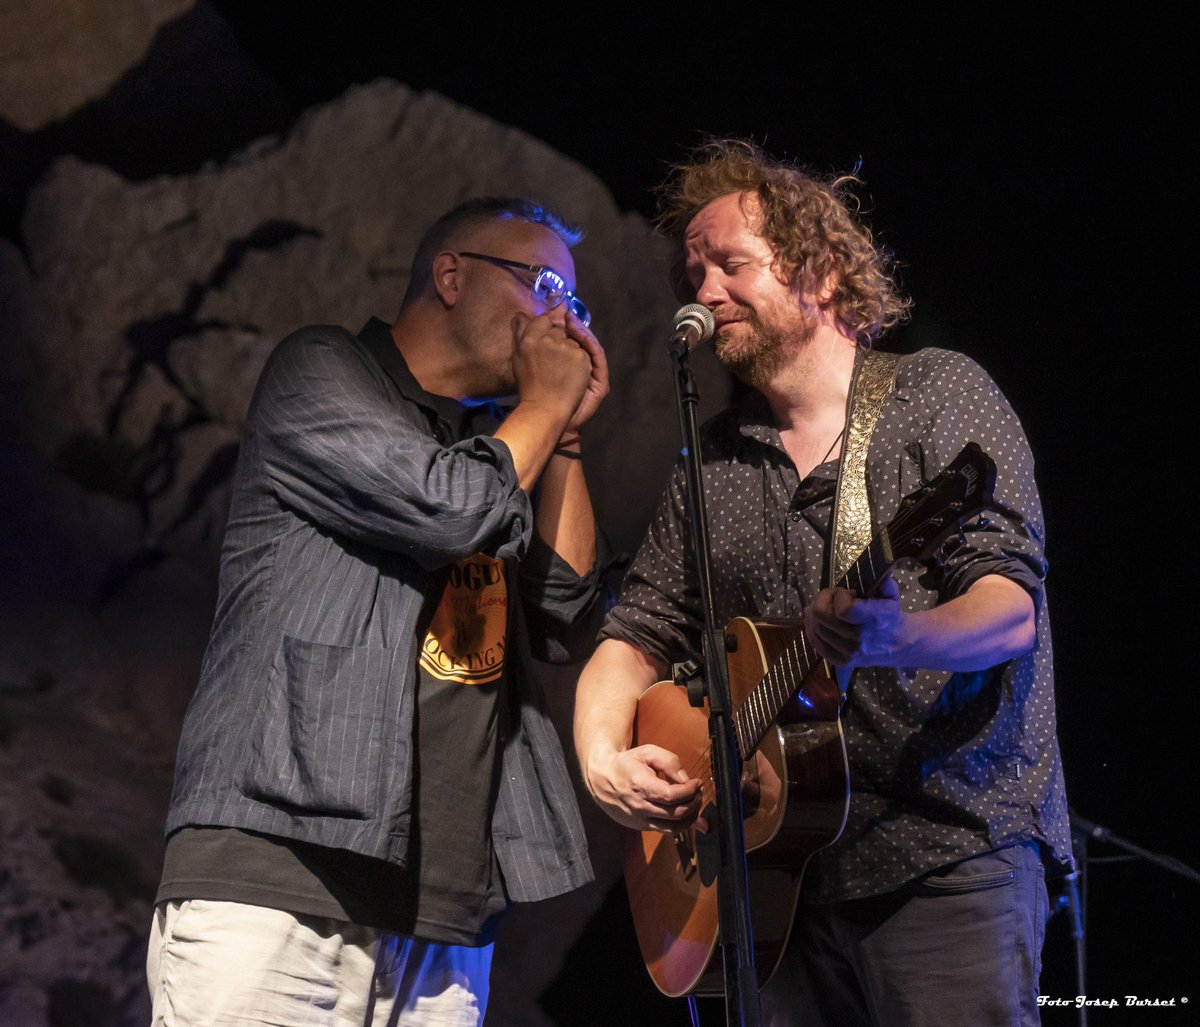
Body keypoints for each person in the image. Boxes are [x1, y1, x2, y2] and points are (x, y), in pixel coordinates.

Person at [573, 139, 1073, 1026]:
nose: (705, 294)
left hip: (943, 852)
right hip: (775, 887)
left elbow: (1008, 614)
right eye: (695, 273)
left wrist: (897, 634)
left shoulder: (934, 396)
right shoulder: (714, 466)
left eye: (731, 264)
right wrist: (603, 756)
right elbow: (631, 633)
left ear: (824, 272)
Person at [148, 196, 610, 1026]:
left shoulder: (510, 449)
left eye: (573, 302)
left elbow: (564, 613)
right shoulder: (321, 370)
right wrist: (539, 410)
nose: (562, 319)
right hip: (283, 881)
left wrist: (566, 437)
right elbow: (450, 511)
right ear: (450, 274)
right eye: (544, 284)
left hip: (444, 917)